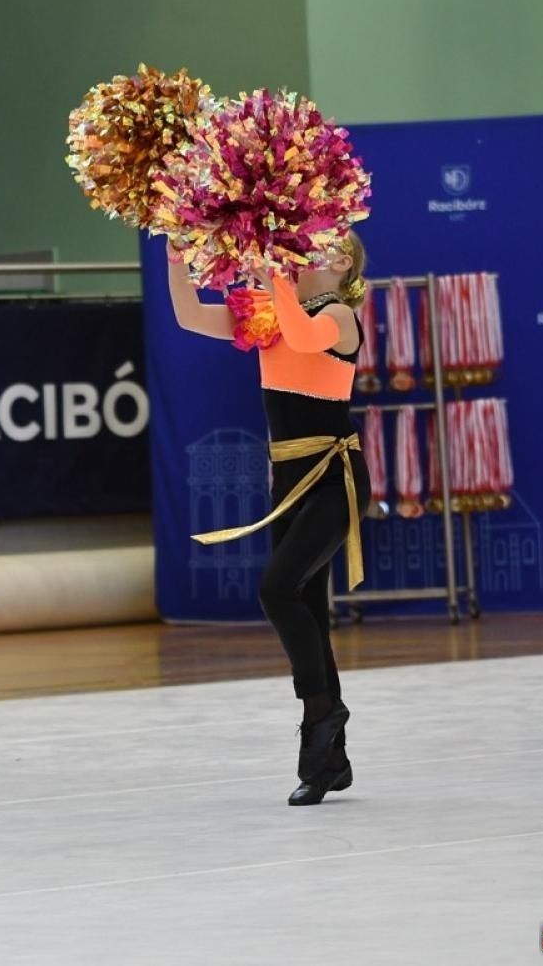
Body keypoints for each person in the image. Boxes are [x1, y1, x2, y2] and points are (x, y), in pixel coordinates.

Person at [167, 232, 372, 806]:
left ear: (343, 266)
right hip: (287, 482)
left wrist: (269, 270)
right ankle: (332, 760)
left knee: (276, 588)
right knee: (306, 605)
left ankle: (323, 716)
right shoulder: (269, 315)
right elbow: (188, 317)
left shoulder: (339, 315)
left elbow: (306, 337)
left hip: (333, 477)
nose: (312, 255)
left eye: (328, 250)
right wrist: (177, 262)